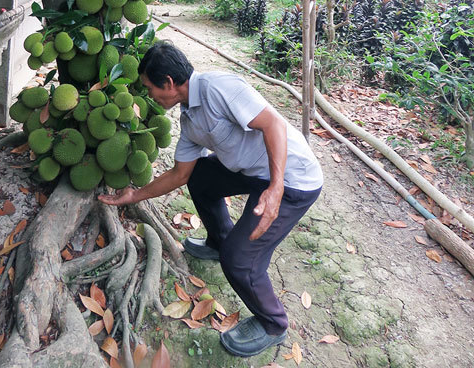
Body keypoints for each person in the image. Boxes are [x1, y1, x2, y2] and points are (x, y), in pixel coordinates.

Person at [98, 41, 323, 358]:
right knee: (200, 175)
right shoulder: (189, 119)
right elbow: (180, 174)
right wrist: (134, 195)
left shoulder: (220, 87)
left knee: (240, 260)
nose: (149, 96)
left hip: (292, 179)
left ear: (169, 84)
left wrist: (275, 188)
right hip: (254, 172)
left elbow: (273, 123)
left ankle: (273, 323)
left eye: (150, 88)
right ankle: (219, 241)